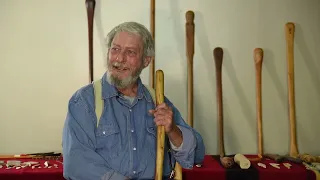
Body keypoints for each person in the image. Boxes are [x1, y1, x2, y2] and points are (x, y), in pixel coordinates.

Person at [62, 21, 205, 180]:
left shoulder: (157, 100)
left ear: (146, 61)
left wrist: (173, 131)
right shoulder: (84, 101)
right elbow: (76, 163)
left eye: (130, 52)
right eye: (115, 49)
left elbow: (197, 155)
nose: (119, 58)